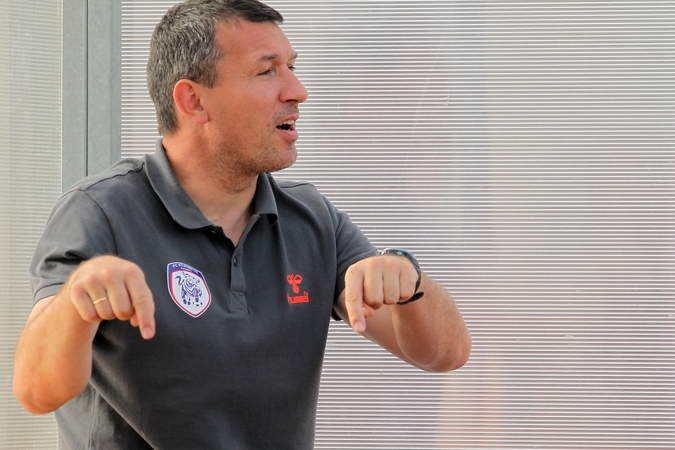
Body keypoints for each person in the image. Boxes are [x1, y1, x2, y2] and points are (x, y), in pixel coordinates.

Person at [13, 0, 471, 448]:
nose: (297, 90)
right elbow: (36, 391)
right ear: (194, 101)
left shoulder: (312, 218)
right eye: (267, 71)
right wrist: (76, 304)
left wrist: (408, 280)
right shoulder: (99, 212)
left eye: (292, 66)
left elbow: (446, 354)